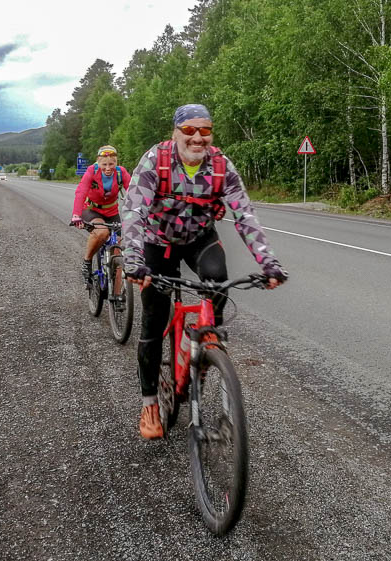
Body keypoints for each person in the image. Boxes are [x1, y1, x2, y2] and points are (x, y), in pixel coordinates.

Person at [122, 104, 287, 440]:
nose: (198, 137)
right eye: (189, 130)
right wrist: (134, 261)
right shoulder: (156, 160)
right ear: (176, 132)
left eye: (205, 130)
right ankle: (150, 402)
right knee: (154, 316)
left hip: (200, 238)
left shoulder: (221, 166)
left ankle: (201, 352)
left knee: (217, 285)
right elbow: (134, 212)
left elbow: (245, 216)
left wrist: (267, 262)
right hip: (158, 242)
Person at [70, 145, 131, 284]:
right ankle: (87, 261)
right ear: (98, 162)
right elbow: (81, 192)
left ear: (116, 162)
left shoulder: (121, 172)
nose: (108, 168)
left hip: (112, 212)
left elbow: (135, 192)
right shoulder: (92, 171)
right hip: (92, 210)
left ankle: (118, 297)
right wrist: (76, 215)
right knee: (102, 232)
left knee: (119, 250)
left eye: (112, 164)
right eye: (104, 164)